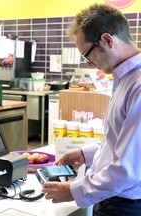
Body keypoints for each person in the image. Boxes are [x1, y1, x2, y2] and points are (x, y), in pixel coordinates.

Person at [42, 3, 141, 215]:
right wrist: (85, 153)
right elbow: (119, 143)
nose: (89, 64)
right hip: (112, 197)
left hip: (126, 205)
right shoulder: (125, 78)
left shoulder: (138, 85)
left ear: (107, 40)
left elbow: (130, 168)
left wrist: (75, 191)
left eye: (87, 54)